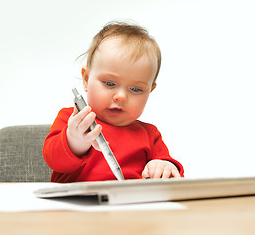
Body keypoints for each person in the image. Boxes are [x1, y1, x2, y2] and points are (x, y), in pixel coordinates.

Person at [43, 21, 184, 183]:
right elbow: (54, 161)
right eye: (109, 84)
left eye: (136, 89)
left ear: (150, 91)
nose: (121, 97)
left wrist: (164, 166)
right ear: (86, 79)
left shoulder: (149, 134)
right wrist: (75, 141)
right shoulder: (73, 119)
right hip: (80, 205)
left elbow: (173, 177)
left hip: (131, 205)